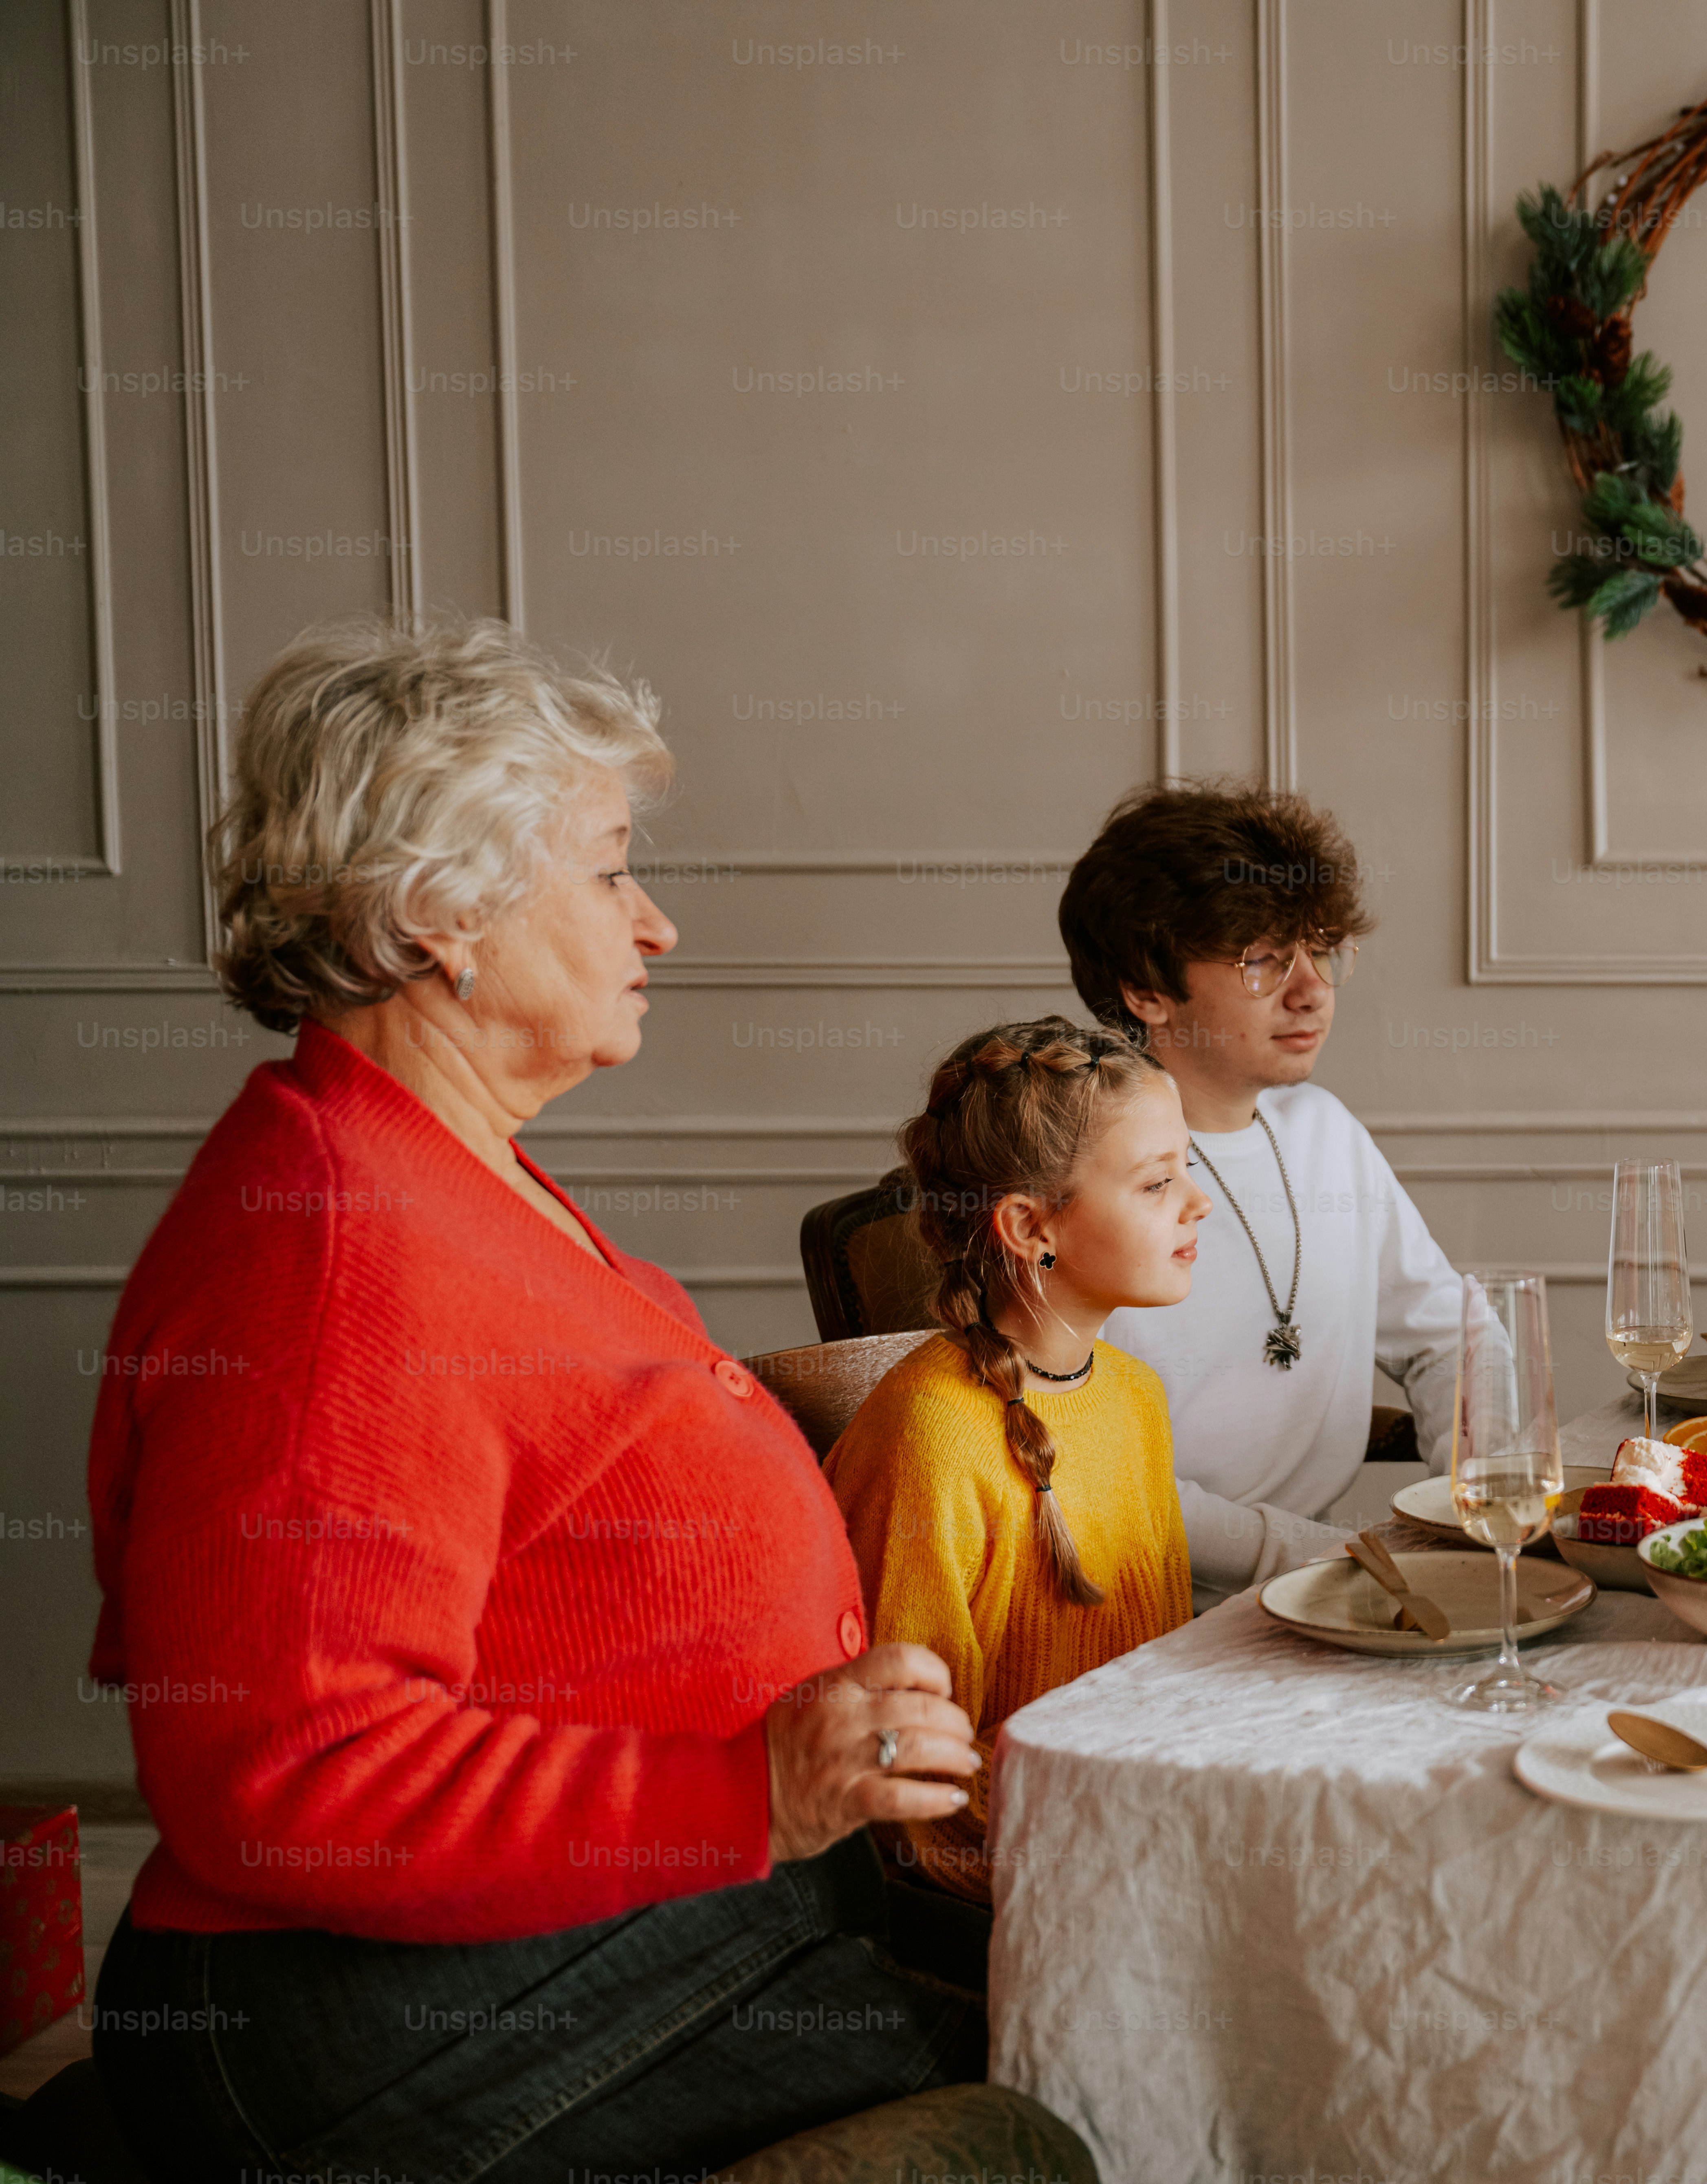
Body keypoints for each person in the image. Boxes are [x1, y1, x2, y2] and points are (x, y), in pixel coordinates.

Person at [81, 617, 1082, 2177]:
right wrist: (741, 1786)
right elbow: (288, 1775)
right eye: (610, 869)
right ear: (439, 915)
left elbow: (550, 1488)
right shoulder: (334, 1259)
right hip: (391, 2021)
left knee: (1099, 2009)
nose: (656, 923)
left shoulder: (426, 1165)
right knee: (1046, 2117)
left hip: (600, 1934)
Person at [822, 1018, 1205, 1976]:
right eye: (1158, 1184)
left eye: (1187, 1171)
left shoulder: (1132, 1397)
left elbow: (1157, 1679)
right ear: (1032, 1227)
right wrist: (1128, 1845)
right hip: (1003, 1901)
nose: (1197, 1205)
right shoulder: (930, 1439)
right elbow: (911, 1781)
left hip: (1143, 1827)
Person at [1058, 782, 1465, 1607]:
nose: (1312, 988)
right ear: (1146, 991)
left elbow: (1455, 1335)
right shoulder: (1077, 1173)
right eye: (1263, 960)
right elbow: (1086, 1469)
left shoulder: (1323, 1130)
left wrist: (1475, 1496)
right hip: (1145, 1614)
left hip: (1321, 1589)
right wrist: (1337, 1555)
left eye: (1322, 949)